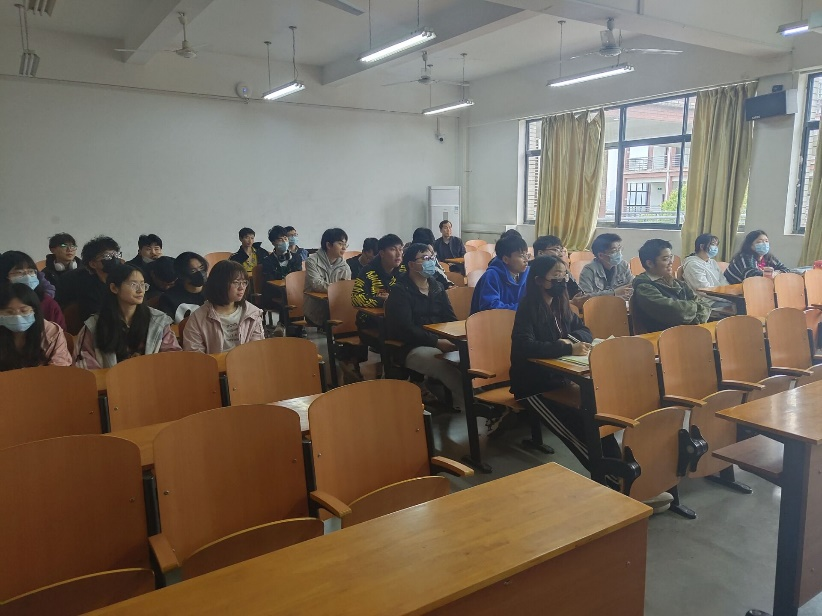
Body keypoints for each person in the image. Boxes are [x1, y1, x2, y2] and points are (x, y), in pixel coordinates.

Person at [510, 255, 620, 479]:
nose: (562, 281)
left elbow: (585, 331)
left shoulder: (561, 303)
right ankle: (611, 478)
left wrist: (570, 341)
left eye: (564, 276)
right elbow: (525, 346)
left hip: (562, 379)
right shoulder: (528, 307)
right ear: (539, 280)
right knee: (578, 430)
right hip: (534, 387)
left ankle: (622, 469)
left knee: (595, 416)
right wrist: (566, 347)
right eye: (556, 277)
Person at [385, 243, 463, 411]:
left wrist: (458, 339)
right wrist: (436, 342)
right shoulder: (400, 291)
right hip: (410, 346)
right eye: (425, 258)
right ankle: (474, 403)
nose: (430, 262)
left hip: (439, 340)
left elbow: (450, 319)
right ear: (411, 265)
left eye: (432, 258)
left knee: (468, 357)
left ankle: (483, 398)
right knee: (443, 364)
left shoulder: (437, 287)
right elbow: (405, 329)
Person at [74, 264, 180, 369]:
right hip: (109, 379)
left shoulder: (158, 320)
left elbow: (173, 357)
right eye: (134, 284)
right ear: (114, 288)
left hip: (151, 377)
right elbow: (84, 364)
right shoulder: (94, 324)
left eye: (143, 284)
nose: (140, 290)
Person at [183, 260, 264, 354]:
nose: (242, 287)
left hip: (245, 362)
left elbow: (257, 349)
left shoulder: (252, 313)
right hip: (213, 363)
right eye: (236, 282)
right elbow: (196, 356)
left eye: (244, 282)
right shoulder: (198, 318)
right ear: (219, 284)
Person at [632, 239, 711, 332]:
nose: (671, 262)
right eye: (665, 259)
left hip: (686, 331)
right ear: (649, 263)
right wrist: (696, 308)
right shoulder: (644, 287)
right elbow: (676, 312)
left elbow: (705, 306)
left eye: (671, 257)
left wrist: (694, 317)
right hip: (662, 335)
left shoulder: (678, 283)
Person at [0, 283, 71, 371]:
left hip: (43, 378)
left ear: (35, 310)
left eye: (24, 311)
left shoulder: (51, 332)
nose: (17, 317)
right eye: (9, 312)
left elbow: (60, 369)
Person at [56, 235, 122, 322]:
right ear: (93, 264)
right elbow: (95, 317)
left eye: (116, 255)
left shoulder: (124, 278)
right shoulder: (84, 285)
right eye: (107, 256)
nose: (114, 259)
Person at [0, 251, 65, 329]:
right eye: (19, 272)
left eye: (31, 271)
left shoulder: (47, 303)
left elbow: (60, 332)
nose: (27, 276)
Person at [353, 234, 404, 329]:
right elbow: (356, 299)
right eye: (393, 249)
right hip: (370, 321)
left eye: (401, 249)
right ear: (382, 253)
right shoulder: (368, 271)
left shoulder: (403, 270)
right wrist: (384, 301)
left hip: (397, 317)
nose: (398, 254)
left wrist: (391, 299)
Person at [469, 234, 529, 314]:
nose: (526, 260)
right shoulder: (491, 276)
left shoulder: (527, 274)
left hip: (517, 319)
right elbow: (490, 307)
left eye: (526, 255)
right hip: (491, 320)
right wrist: (523, 308)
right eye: (521, 256)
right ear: (506, 259)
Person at [304, 228, 351, 327]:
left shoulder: (344, 266)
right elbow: (316, 284)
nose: (344, 248)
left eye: (345, 244)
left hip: (336, 309)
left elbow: (346, 289)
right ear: (329, 245)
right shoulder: (312, 261)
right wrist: (336, 289)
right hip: (316, 310)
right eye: (340, 244)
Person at [681, 233, 734, 314]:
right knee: (740, 308)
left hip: (720, 297)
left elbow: (723, 280)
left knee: (743, 303)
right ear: (702, 246)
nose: (715, 247)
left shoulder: (712, 262)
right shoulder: (693, 264)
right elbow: (704, 290)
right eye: (712, 244)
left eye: (716, 245)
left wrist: (730, 294)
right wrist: (727, 298)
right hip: (707, 302)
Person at [533, 235, 586, 307]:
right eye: (556, 250)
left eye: (561, 251)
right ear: (541, 253)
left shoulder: (564, 271)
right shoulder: (531, 271)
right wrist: (571, 303)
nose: (560, 254)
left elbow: (576, 291)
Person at [578, 233, 633, 299]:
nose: (619, 253)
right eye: (614, 251)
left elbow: (632, 285)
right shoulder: (589, 270)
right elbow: (585, 297)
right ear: (601, 255)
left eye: (619, 248)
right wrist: (613, 293)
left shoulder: (623, 265)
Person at [724, 229, 790, 284]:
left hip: (753, 289)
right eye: (759, 242)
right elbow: (752, 275)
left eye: (766, 241)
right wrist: (769, 274)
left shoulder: (769, 257)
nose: (764, 244)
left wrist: (776, 273)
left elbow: (786, 270)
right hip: (732, 292)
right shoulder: (744, 257)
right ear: (750, 245)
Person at [158, 252, 207, 323]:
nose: (200, 273)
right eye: (193, 271)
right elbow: (168, 327)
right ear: (182, 275)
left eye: (201, 268)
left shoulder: (214, 290)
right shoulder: (168, 298)